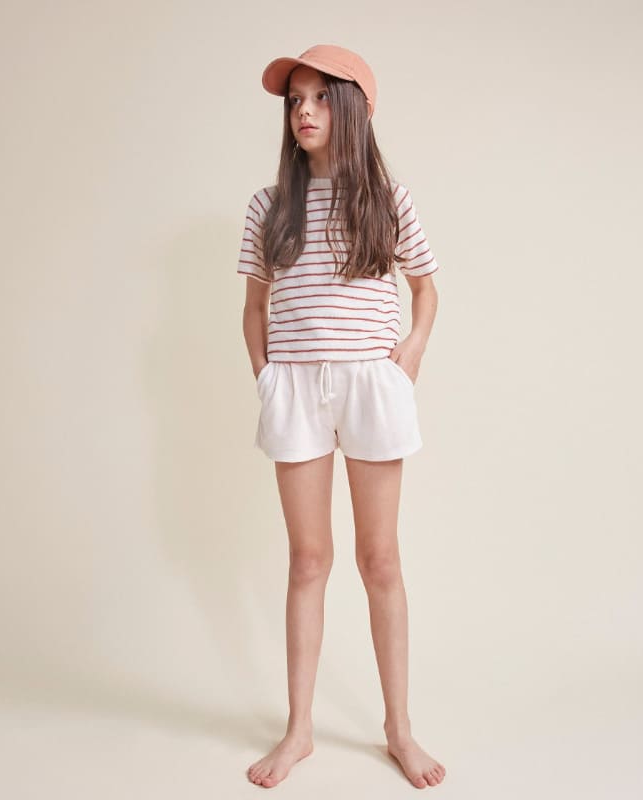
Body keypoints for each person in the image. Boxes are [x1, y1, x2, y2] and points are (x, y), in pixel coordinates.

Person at [236, 44, 446, 790]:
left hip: (370, 384)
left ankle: (399, 729)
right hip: (295, 386)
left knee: (380, 560)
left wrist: (409, 353)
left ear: (353, 108)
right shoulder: (269, 205)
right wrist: (267, 377)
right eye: (295, 100)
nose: (304, 111)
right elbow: (254, 305)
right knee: (308, 560)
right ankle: (299, 731)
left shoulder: (388, 200)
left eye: (320, 97)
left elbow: (426, 289)